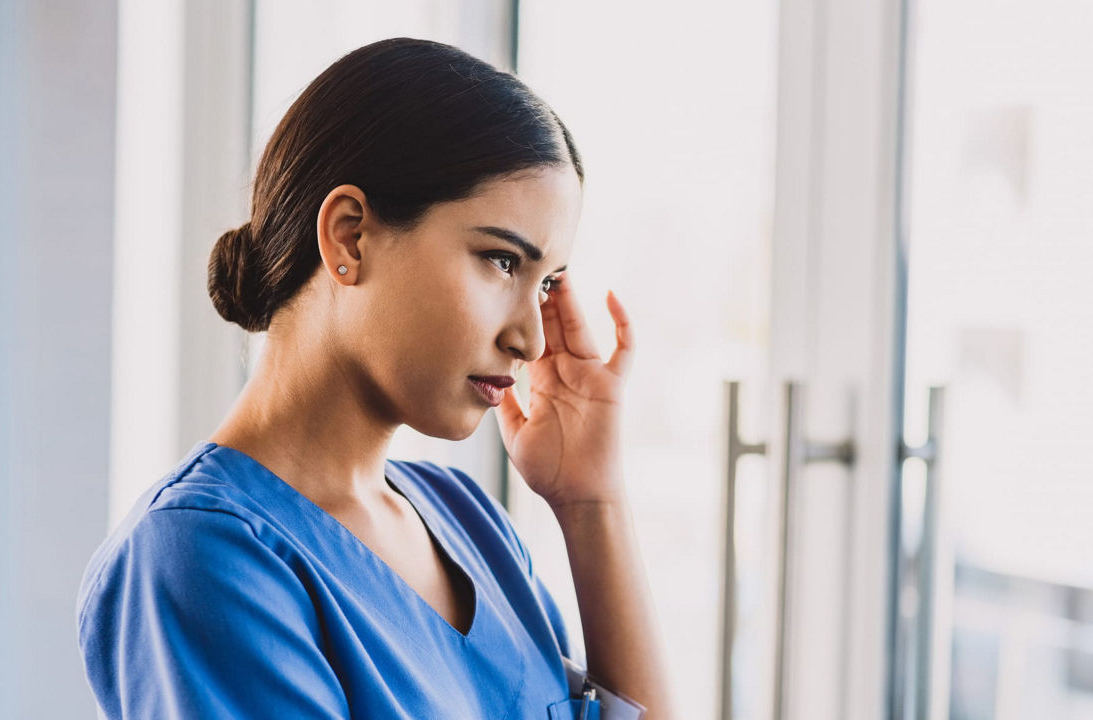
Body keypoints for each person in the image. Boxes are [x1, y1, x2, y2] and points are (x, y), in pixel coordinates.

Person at [75, 37, 675, 719]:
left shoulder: (469, 524)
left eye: (547, 286)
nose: (530, 338)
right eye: (502, 262)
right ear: (350, 236)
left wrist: (592, 505)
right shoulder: (203, 559)